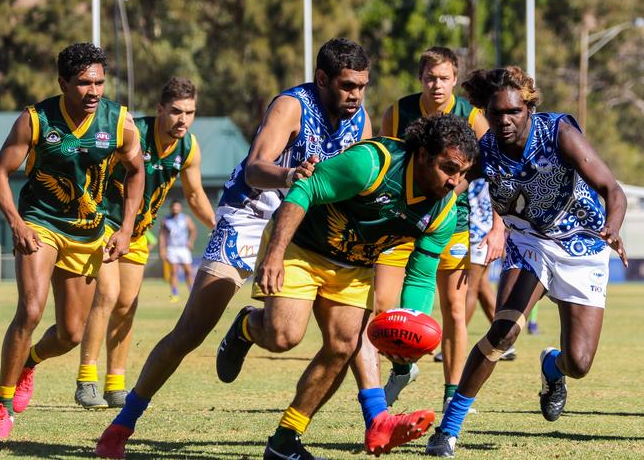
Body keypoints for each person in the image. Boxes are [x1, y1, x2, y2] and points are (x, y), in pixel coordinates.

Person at [95, 37, 372, 459]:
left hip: (305, 224)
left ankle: (372, 416)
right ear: (322, 79)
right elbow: (258, 167)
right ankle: (122, 424)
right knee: (191, 330)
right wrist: (289, 176)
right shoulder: (291, 106)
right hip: (250, 212)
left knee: (324, 333)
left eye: (362, 87)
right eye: (348, 86)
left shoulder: (361, 122)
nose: (355, 96)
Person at [217, 114, 479, 459]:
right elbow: (304, 189)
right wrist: (276, 253)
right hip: (303, 247)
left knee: (343, 346)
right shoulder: (371, 164)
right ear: (424, 154)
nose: (454, 182)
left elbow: (419, 275)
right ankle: (248, 326)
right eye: (449, 168)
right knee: (283, 336)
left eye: (463, 174)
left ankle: (285, 441)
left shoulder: (444, 210)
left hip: (355, 266)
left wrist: (411, 329)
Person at [425, 66, 628, 457]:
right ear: (486, 111)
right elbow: (451, 183)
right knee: (503, 332)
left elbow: (612, 189)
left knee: (580, 363)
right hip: (527, 241)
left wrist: (614, 227)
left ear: (529, 110)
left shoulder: (559, 134)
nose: (504, 121)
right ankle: (447, 430)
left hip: (580, 244)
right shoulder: (483, 151)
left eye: (514, 112)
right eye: (496, 113)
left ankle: (553, 367)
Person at [0, 43, 145, 440]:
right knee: (30, 309)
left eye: (99, 82)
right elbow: (0, 173)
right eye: (83, 83)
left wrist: (126, 228)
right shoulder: (35, 120)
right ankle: (2, 405)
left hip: (88, 233)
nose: (93, 91)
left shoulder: (119, 122)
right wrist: (16, 223)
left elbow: (136, 170)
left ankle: (27, 361)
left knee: (70, 334)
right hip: (41, 224)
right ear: (63, 82)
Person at [74, 78, 216, 410]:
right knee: (107, 295)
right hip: (104, 225)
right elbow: (92, 167)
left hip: (137, 234)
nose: (183, 119)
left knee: (127, 304)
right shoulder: (133, 132)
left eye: (190, 112)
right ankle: (86, 380)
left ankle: (115, 384)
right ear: (160, 109)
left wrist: (217, 225)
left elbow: (194, 194)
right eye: (176, 111)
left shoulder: (189, 147)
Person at [376, 47, 504, 409]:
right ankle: (401, 368)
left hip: (454, 224)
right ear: (421, 78)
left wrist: (498, 226)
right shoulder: (398, 113)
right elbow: (387, 166)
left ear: (454, 78)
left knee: (454, 308)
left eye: (444, 77)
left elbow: (497, 170)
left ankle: (452, 395)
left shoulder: (472, 116)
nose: (437, 85)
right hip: (402, 222)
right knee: (383, 303)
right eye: (430, 77)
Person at [465, 178, 516, 360]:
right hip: (483, 232)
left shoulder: (479, 166)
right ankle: (504, 341)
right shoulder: (489, 164)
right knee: (480, 286)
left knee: (470, 287)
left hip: (476, 233)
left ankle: (457, 339)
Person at [160, 200, 198, 302]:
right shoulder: (166, 220)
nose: (175, 209)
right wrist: (162, 249)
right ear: (171, 208)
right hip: (171, 248)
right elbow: (162, 236)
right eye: (173, 207)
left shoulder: (185, 218)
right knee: (173, 272)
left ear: (180, 208)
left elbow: (193, 230)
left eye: (177, 207)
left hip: (183, 248)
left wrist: (190, 241)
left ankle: (192, 293)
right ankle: (175, 293)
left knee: (188, 271)